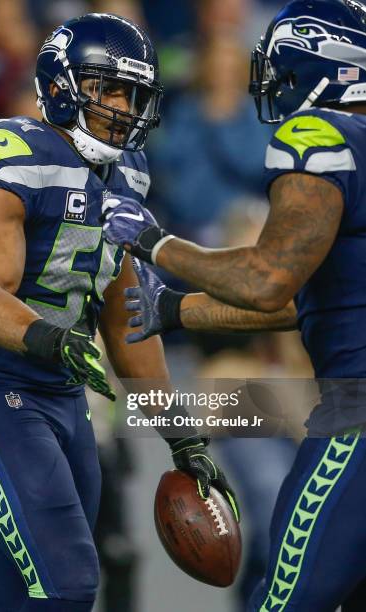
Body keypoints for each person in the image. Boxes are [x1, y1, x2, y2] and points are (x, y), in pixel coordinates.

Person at [0, 14, 237, 612]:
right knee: (67, 581)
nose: (124, 106)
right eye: (109, 88)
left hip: (66, 398)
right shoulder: (12, 152)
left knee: (24, 592)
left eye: (134, 93)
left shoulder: (130, 173)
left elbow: (127, 317)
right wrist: (52, 339)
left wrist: (180, 434)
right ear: (64, 85)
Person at [101, 0, 366, 609]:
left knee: (285, 599)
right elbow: (309, 299)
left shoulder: (321, 135)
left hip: (355, 414)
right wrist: (178, 310)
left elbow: (269, 278)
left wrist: (153, 242)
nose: (275, 83)